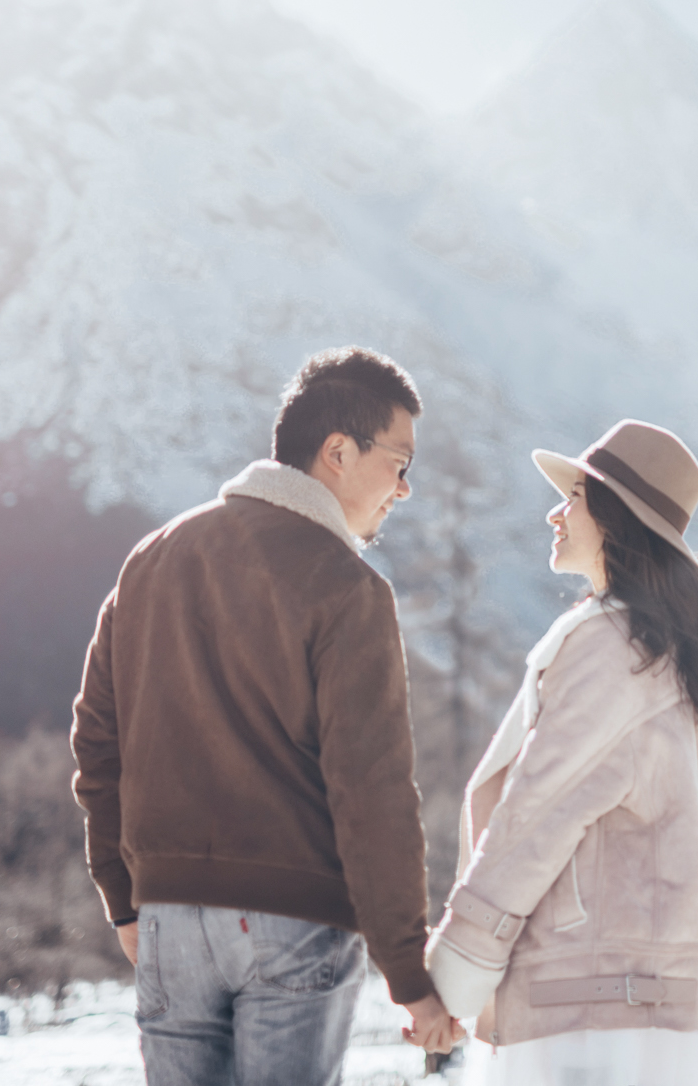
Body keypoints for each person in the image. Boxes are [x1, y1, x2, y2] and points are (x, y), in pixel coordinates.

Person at [71, 346, 462, 1086]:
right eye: (400, 463)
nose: (405, 488)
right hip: (296, 923)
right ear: (338, 451)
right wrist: (409, 972)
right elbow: (371, 791)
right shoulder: (348, 588)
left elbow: (97, 744)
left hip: (167, 920)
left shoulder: (150, 559)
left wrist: (125, 900)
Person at [424, 420, 698, 1084]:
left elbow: (535, 818)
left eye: (573, 497)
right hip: (649, 1006)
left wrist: (453, 977)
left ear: (615, 518)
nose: (554, 512)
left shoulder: (611, 646)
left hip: (586, 1009)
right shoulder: (671, 651)